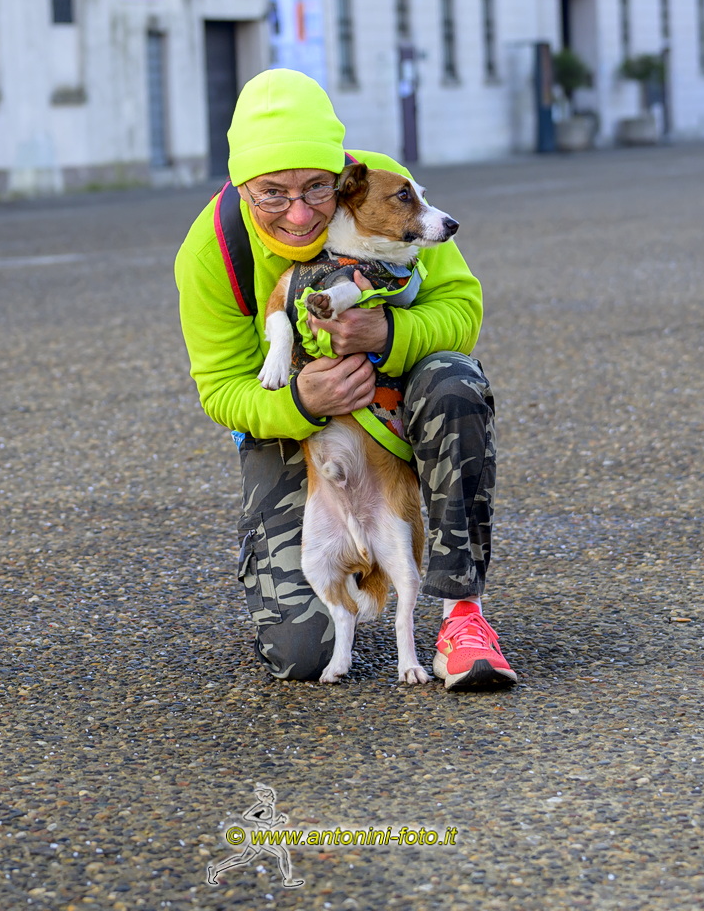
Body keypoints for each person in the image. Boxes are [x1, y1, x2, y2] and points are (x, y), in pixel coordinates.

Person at [173, 68, 515, 689]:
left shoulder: (386, 188)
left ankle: (463, 616)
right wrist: (303, 400)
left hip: (394, 402)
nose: (299, 213)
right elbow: (221, 390)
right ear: (241, 186)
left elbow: (463, 310)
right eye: (272, 194)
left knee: (454, 383)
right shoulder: (211, 250)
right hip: (293, 427)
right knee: (303, 655)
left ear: (342, 176)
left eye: (316, 187)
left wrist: (387, 335)